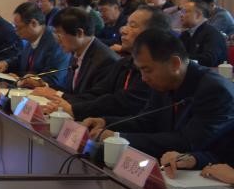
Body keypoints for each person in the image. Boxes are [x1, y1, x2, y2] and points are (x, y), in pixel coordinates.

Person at [83, 28, 234, 158]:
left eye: (147, 70)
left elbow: (188, 142)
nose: (143, 78)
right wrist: (106, 123)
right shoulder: (164, 82)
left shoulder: (215, 91)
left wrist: (121, 138)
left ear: (175, 64)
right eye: (140, 71)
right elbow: (147, 121)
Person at [38, 6, 170, 121]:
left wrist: (72, 108)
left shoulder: (109, 60)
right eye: (126, 24)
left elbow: (122, 103)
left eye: (133, 26)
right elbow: (98, 94)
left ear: (153, 33)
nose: (123, 30)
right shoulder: (124, 63)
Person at [0, 3, 70, 90]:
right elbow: (21, 59)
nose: (16, 31)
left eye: (18, 27)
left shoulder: (56, 41)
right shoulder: (30, 39)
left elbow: (55, 79)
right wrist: (6, 64)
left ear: (33, 23)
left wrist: (24, 80)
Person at [51, 7, 119, 101]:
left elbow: (93, 101)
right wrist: (46, 86)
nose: (57, 41)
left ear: (79, 33)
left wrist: (55, 94)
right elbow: (72, 92)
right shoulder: (76, 52)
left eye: (59, 35)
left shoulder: (106, 60)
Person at [178, 0, 227, 67]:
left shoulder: (213, 34)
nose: (181, 15)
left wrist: (180, 58)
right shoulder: (185, 34)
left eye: (185, 12)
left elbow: (209, 60)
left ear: (198, 15)